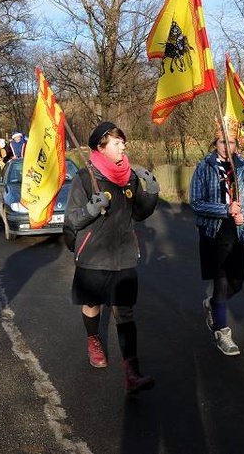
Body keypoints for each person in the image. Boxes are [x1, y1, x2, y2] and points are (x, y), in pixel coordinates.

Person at [64, 121, 160, 395]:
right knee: (92, 303)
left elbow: (140, 213)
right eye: (117, 143)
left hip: (124, 254)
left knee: (125, 311)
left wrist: (151, 192)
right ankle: (93, 339)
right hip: (93, 255)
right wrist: (91, 210)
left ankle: (132, 372)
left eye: (123, 142)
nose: (123, 146)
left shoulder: (129, 177)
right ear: (100, 148)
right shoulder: (84, 177)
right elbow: (72, 219)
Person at [189, 116, 244, 356]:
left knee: (236, 283)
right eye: (221, 141)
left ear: (236, 145)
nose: (225, 146)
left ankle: (212, 305)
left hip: (237, 232)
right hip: (214, 232)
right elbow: (196, 202)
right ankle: (222, 331)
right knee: (220, 282)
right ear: (215, 142)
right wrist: (225, 209)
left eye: (230, 142)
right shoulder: (204, 166)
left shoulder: (243, 168)